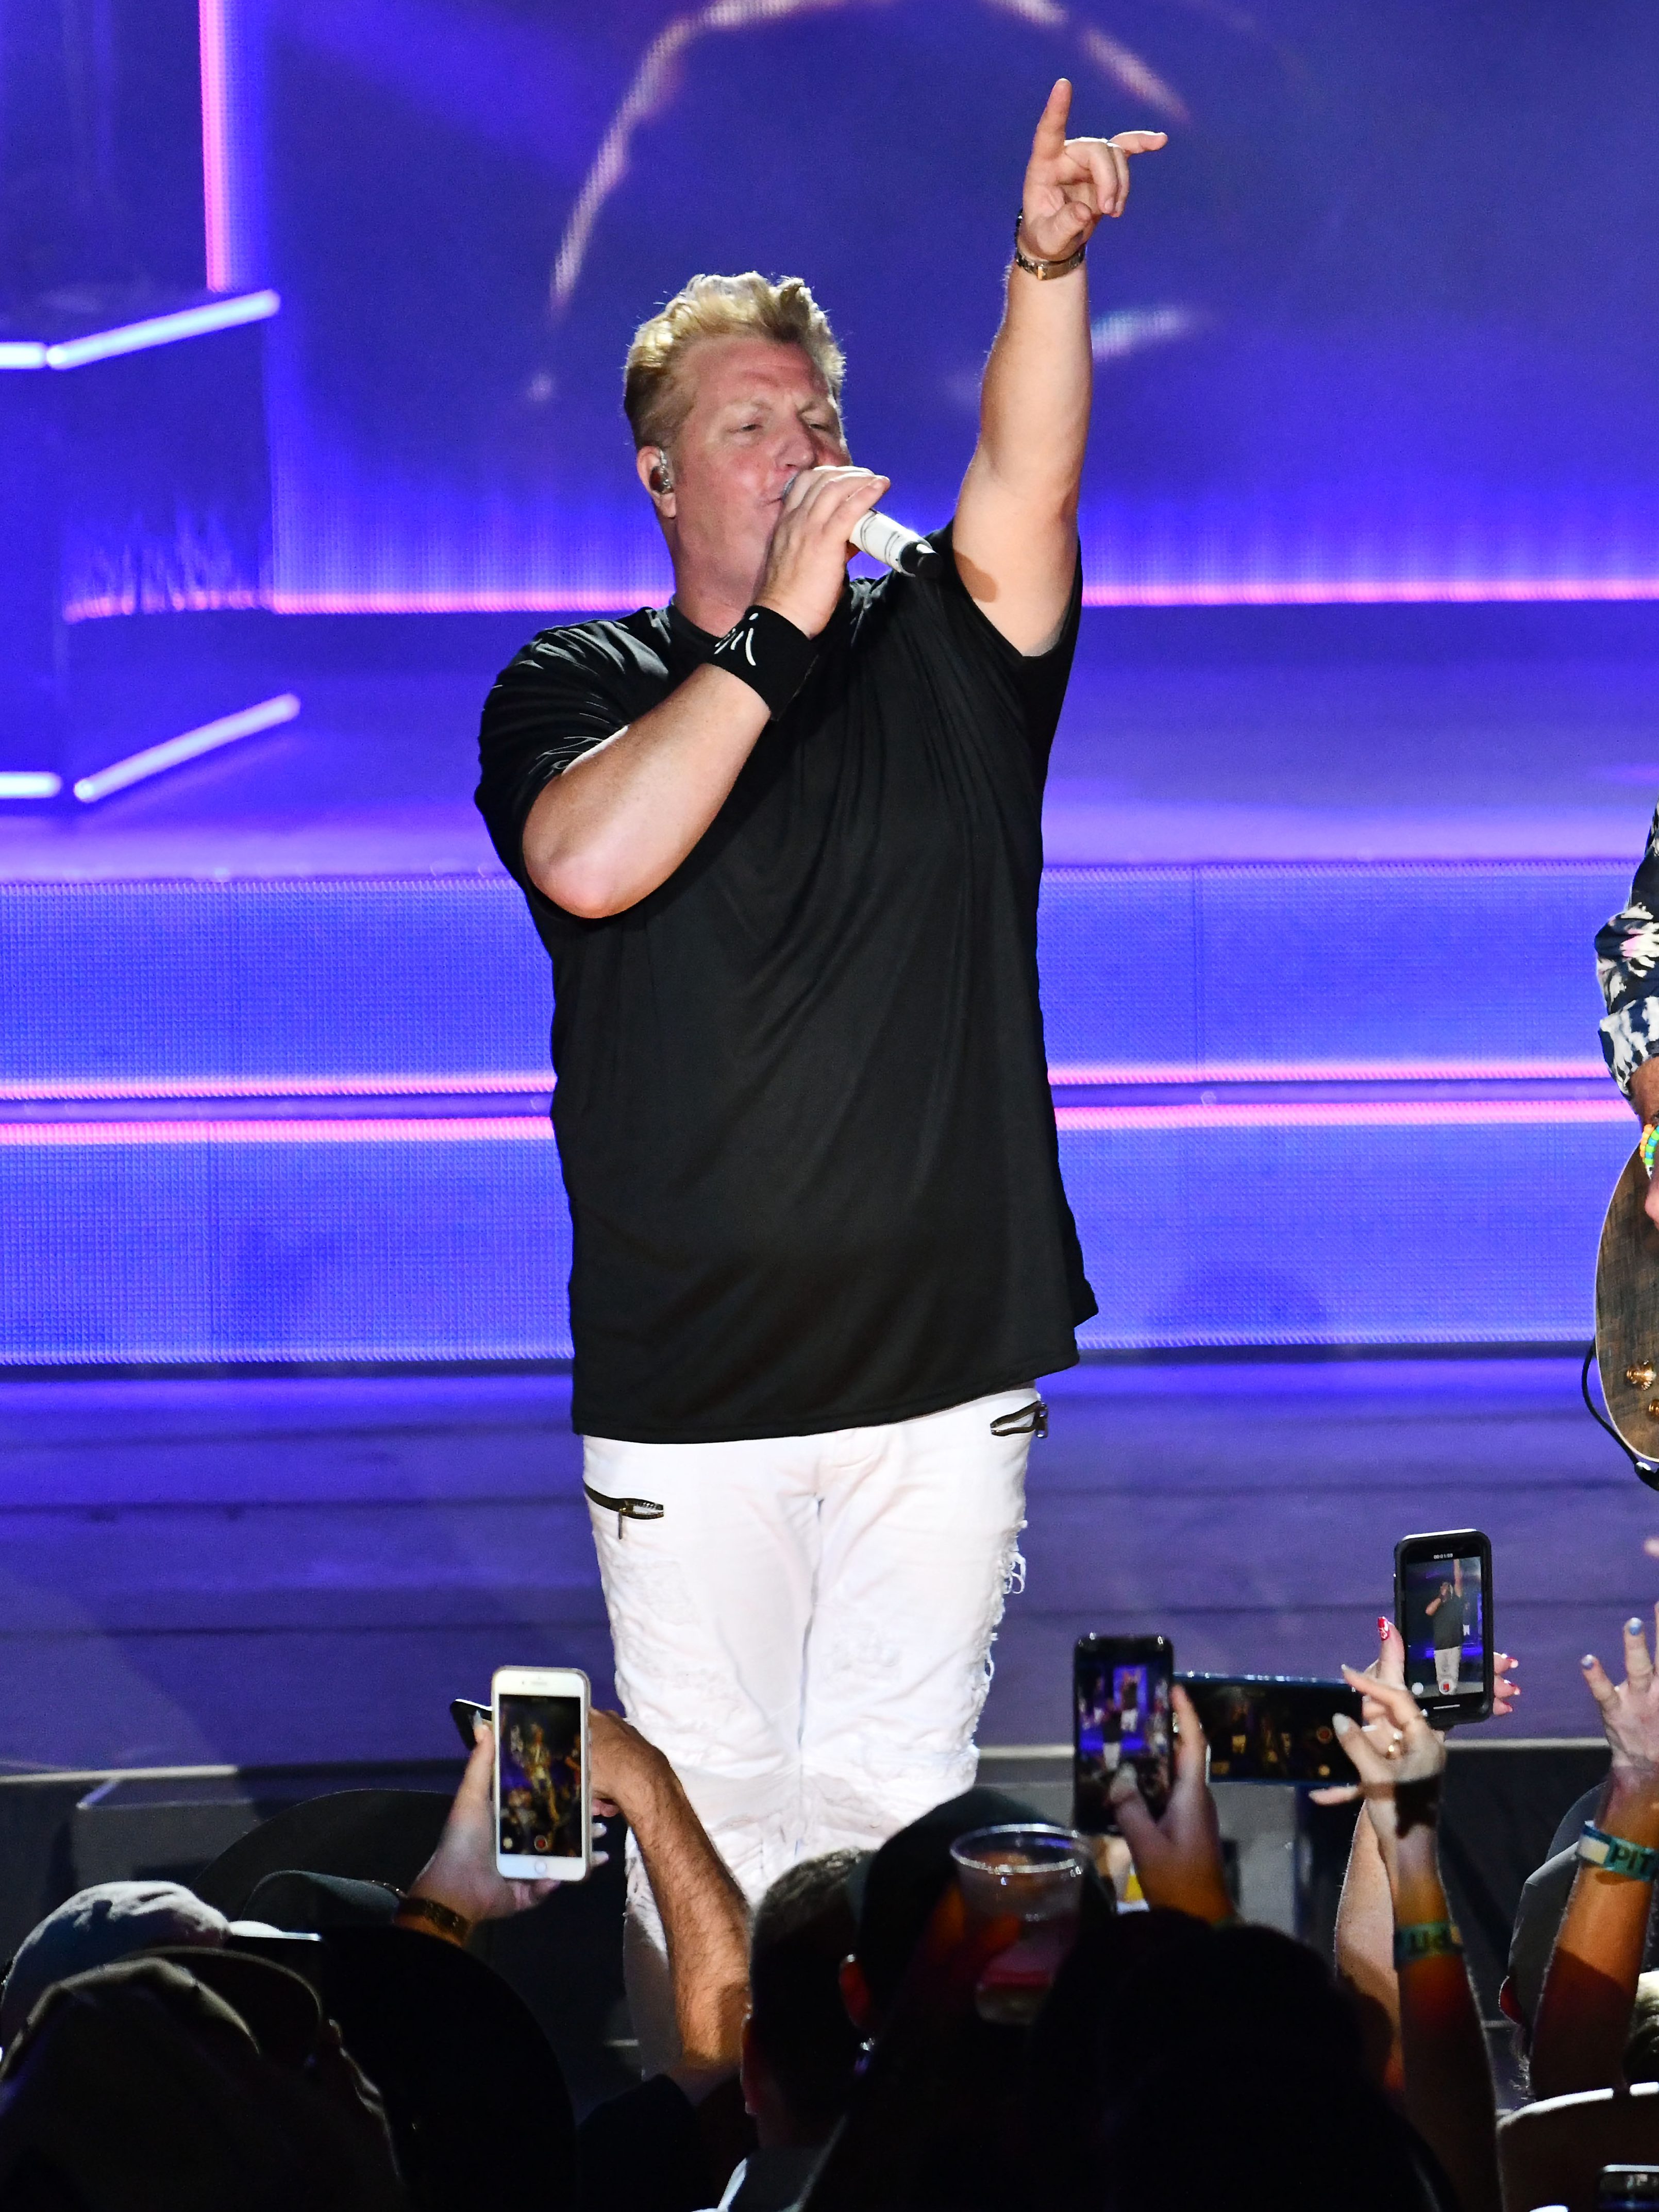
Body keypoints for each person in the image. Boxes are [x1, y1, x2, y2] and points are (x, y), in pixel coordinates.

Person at [475, 80, 1165, 2064]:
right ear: (659, 477)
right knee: (705, 1853)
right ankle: (716, 2158)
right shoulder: (571, 686)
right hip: (695, 1398)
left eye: (810, 419)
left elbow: (1023, 496)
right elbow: (598, 858)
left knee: (880, 1848)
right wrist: (772, 631)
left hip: (936, 1377)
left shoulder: (934, 653)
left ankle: (874, 2172)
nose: (791, 453)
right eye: (742, 428)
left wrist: (1044, 267)